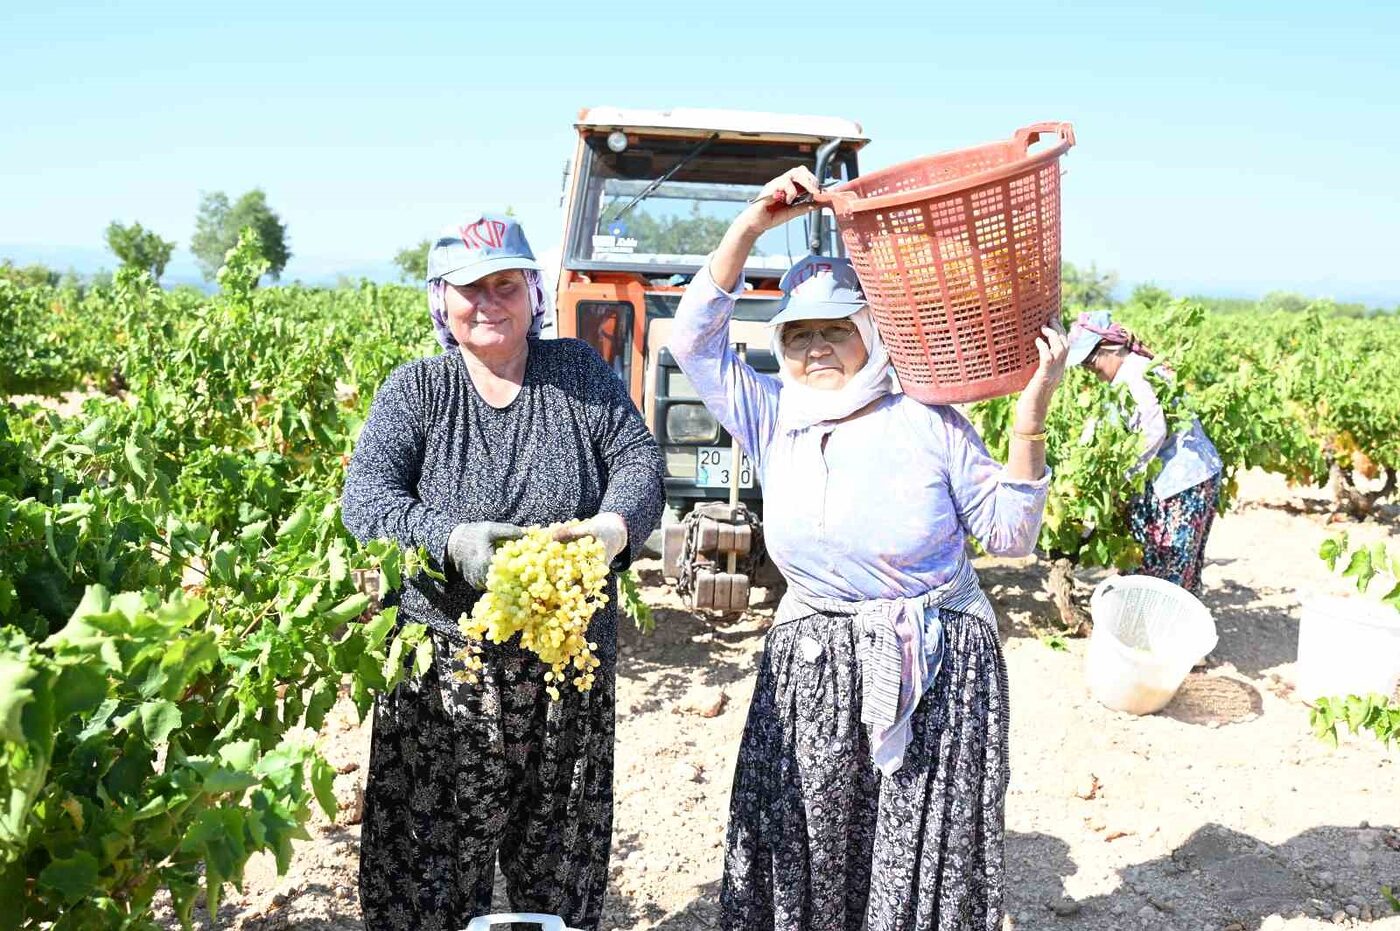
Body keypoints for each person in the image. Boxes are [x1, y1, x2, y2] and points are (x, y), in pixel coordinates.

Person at [667, 167, 1070, 931]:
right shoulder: (771, 413)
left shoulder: (927, 418)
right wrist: (753, 222)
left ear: (872, 332)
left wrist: (1030, 418)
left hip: (935, 672)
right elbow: (691, 338)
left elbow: (1012, 537)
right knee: (808, 852)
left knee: (917, 864)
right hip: (815, 667)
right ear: (780, 343)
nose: (816, 347)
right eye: (799, 332)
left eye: (836, 329)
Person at [341, 213, 665, 931]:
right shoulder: (418, 391)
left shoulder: (577, 373)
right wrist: (451, 540)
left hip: (563, 677)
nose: (489, 302)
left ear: (532, 293)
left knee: (557, 872)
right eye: (470, 288)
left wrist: (611, 528)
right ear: (441, 302)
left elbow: (640, 462)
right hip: (446, 685)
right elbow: (365, 501)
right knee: (428, 875)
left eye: (505, 284)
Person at [1066, 310, 1224, 595]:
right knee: (1158, 568)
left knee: (1168, 570)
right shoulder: (1130, 371)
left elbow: (1153, 430)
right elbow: (1107, 420)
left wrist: (1121, 481)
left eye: (1091, 363)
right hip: (1182, 478)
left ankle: (1162, 633)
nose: (1091, 372)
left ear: (1109, 349)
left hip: (1182, 483)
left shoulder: (1134, 373)